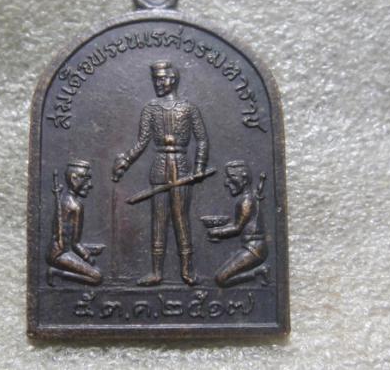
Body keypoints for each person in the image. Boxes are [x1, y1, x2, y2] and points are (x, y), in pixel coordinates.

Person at [112, 61, 209, 286]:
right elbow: (142, 142)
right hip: (159, 166)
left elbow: (202, 139)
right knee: (159, 220)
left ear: (172, 79)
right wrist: (125, 161)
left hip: (182, 167)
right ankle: (156, 272)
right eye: (155, 80)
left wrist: (199, 167)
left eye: (162, 79)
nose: (158, 84)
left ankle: (187, 270)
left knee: (181, 218)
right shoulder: (150, 109)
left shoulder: (188, 108)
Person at [206, 161, 270, 287]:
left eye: (231, 177)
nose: (226, 182)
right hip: (253, 247)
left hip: (254, 250)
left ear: (244, 179)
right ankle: (260, 272)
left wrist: (215, 232)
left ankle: (259, 272)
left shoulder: (246, 202)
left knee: (221, 279)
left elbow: (237, 228)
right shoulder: (250, 197)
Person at [46, 159, 103, 286]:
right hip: (60, 254)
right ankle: (56, 272)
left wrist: (91, 249)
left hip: (54, 251)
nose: (90, 184)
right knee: (97, 277)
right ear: (74, 179)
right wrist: (88, 257)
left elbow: (69, 238)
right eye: (87, 179)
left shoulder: (63, 199)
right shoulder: (75, 206)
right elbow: (75, 244)